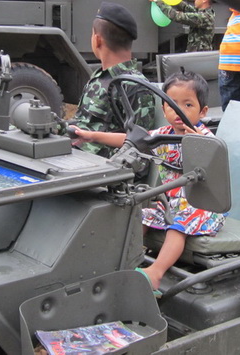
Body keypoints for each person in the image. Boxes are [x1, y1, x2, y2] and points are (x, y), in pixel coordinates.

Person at [73, 70, 226, 293]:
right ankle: (121, 264)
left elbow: (214, 168)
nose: (178, 111)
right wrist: (92, 136)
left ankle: (156, 272)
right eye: (172, 105)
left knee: (178, 225)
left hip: (203, 208)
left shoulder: (205, 139)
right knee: (139, 217)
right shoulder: (162, 134)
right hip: (170, 204)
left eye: (188, 105)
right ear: (163, 108)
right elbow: (128, 139)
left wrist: (198, 142)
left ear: (203, 111)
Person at [73, 1, 155, 157]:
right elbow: (82, 122)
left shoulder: (134, 86)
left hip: (106, 166)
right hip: (79, 157)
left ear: (97, 40)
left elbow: (141, 144)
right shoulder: (100, 76)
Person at [146, 0, 215, 52]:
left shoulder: (204, 17)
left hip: (199, 56)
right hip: (196, 55)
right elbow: (184, 7)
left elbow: (175, 16)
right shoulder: (203, 13)